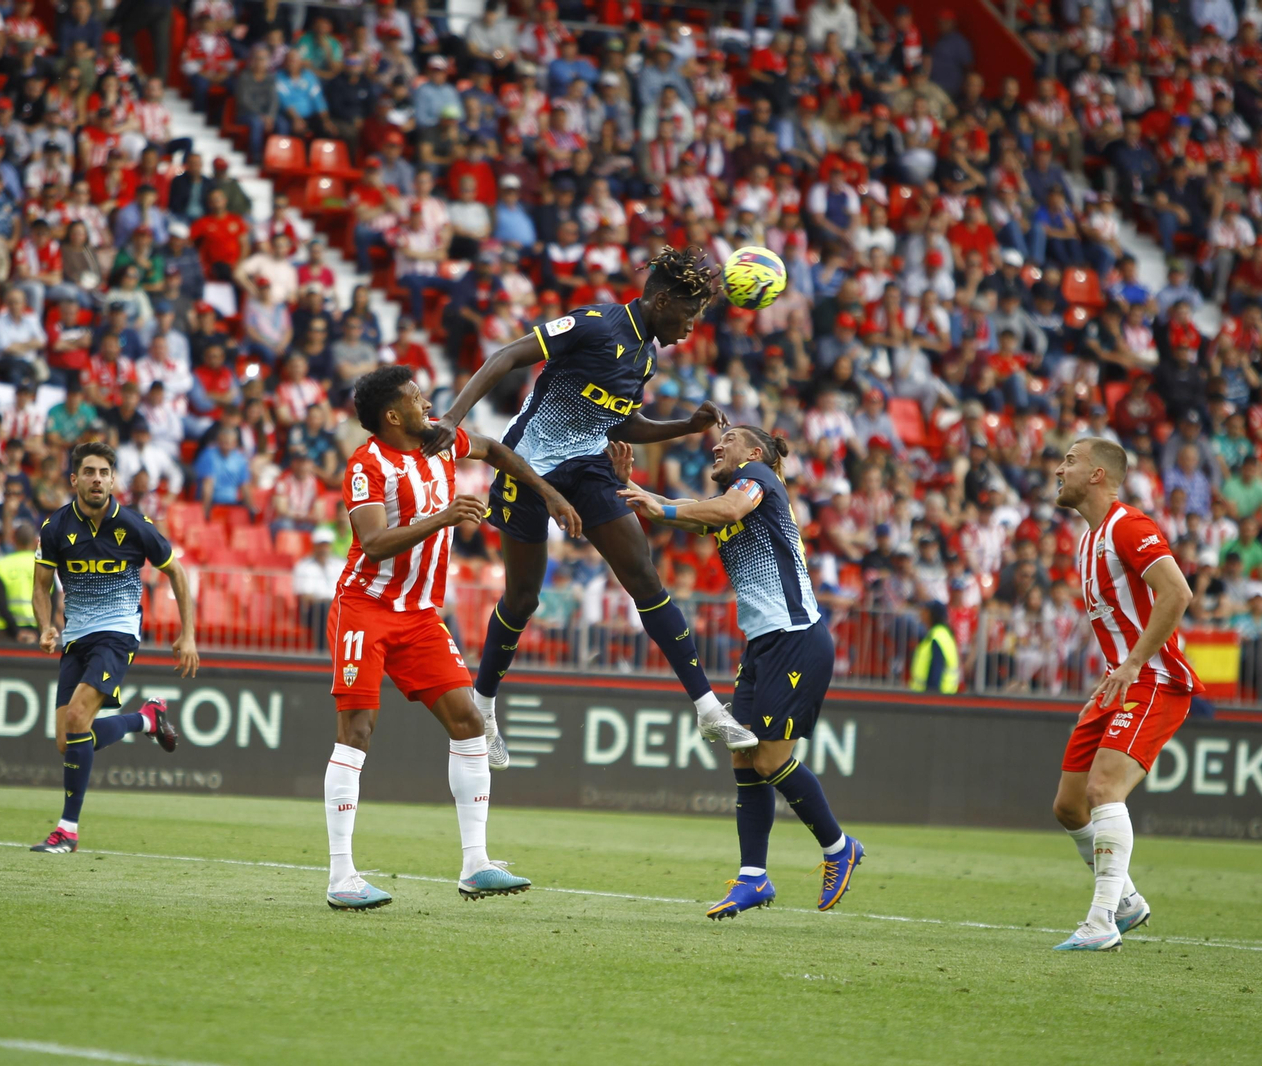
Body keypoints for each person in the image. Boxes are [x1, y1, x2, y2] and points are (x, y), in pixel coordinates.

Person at [424, 246, 753, 763]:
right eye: (687, 316)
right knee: (523, 599)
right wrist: (451, 417)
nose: (690, 329)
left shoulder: (646, 354)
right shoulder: (596, 324)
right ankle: (483, 705)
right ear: (662, 300)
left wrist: (684, 427)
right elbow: (505, 356)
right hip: (528, 467)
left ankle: (709, 709)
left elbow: (619, 424)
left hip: (588, 465)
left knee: (644, 575)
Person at [322, 365, 581, 909]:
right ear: (392, 416)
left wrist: (549, 494)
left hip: (419, 616)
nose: (427, 402)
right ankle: (342, 877)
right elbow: (371, 543)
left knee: (467, 719)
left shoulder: (442, 439)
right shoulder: (368, 465)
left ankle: (475, 863)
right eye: (415, 397)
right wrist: (443, 517)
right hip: (364, 607)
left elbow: (495, 451)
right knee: (357, 730)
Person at [617, 428, 864, 918]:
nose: (716, 444)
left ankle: (839, 847)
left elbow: (724, 511)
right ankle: (754, 877)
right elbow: (701, 515)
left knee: (770, 762)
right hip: (763, 644)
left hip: (795, 637)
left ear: (754, 453)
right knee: (745, 759)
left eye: (727, 439)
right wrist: (643, 495)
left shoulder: (756, 479)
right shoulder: (739, 493)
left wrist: (659, 505)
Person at [1049, 438, 1201, 951]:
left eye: (1070, 461)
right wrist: (1117, 670)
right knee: (1070, 807)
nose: (1059, 469)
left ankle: (1101, 921)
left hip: (1155, 678)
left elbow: (1177, 592)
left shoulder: (1129, 526)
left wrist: (1134, 662)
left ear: (1097, 474)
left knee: (1102, 791)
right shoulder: (1088, 541)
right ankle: (1129, 901)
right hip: (1120, 681)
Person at [29, 441, 199, 854]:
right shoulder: (55, 529)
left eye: (104, 473)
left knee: (76, 716)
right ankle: (146, 720)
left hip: (118, 633)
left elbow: (176, 572)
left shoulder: (135, 525)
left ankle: (67, 830)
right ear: (75, 480)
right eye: (89, 472)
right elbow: (40, 584)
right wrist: (46, 625)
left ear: (112, 480)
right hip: (75, 638)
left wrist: (188, 633)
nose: (97, 480)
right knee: (67, 740)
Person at [910, 600, 960, 693]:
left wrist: (931, 698)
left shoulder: (936, 637)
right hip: (944, 697)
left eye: (925, 610)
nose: (921, 613)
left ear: (931, 614)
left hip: (932, 698)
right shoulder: (943, 634)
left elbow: (936, 670)